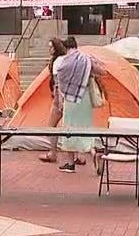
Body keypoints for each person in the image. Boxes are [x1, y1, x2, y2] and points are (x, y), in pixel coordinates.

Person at [52, 37, 101, 173]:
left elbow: (59, 82)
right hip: (84, 98)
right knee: (85, 129)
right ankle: (93, 153)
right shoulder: (86, 59)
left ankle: (70, 163)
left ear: (65, 47)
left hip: (69, 99)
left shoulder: (62, 61)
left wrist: (60, 101)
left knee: (69, 130)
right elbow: (102, 71)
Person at [39, 38, 71, 165]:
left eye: (51, 47)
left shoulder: (57, 62)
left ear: (56, 48)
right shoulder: (66, 59)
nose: (49, 49)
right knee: (72, 127)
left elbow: (58, 84)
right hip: (70, 97)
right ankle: (82, 154)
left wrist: (58, 100)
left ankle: (52, 152)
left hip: (59, 99)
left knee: (52, 126)